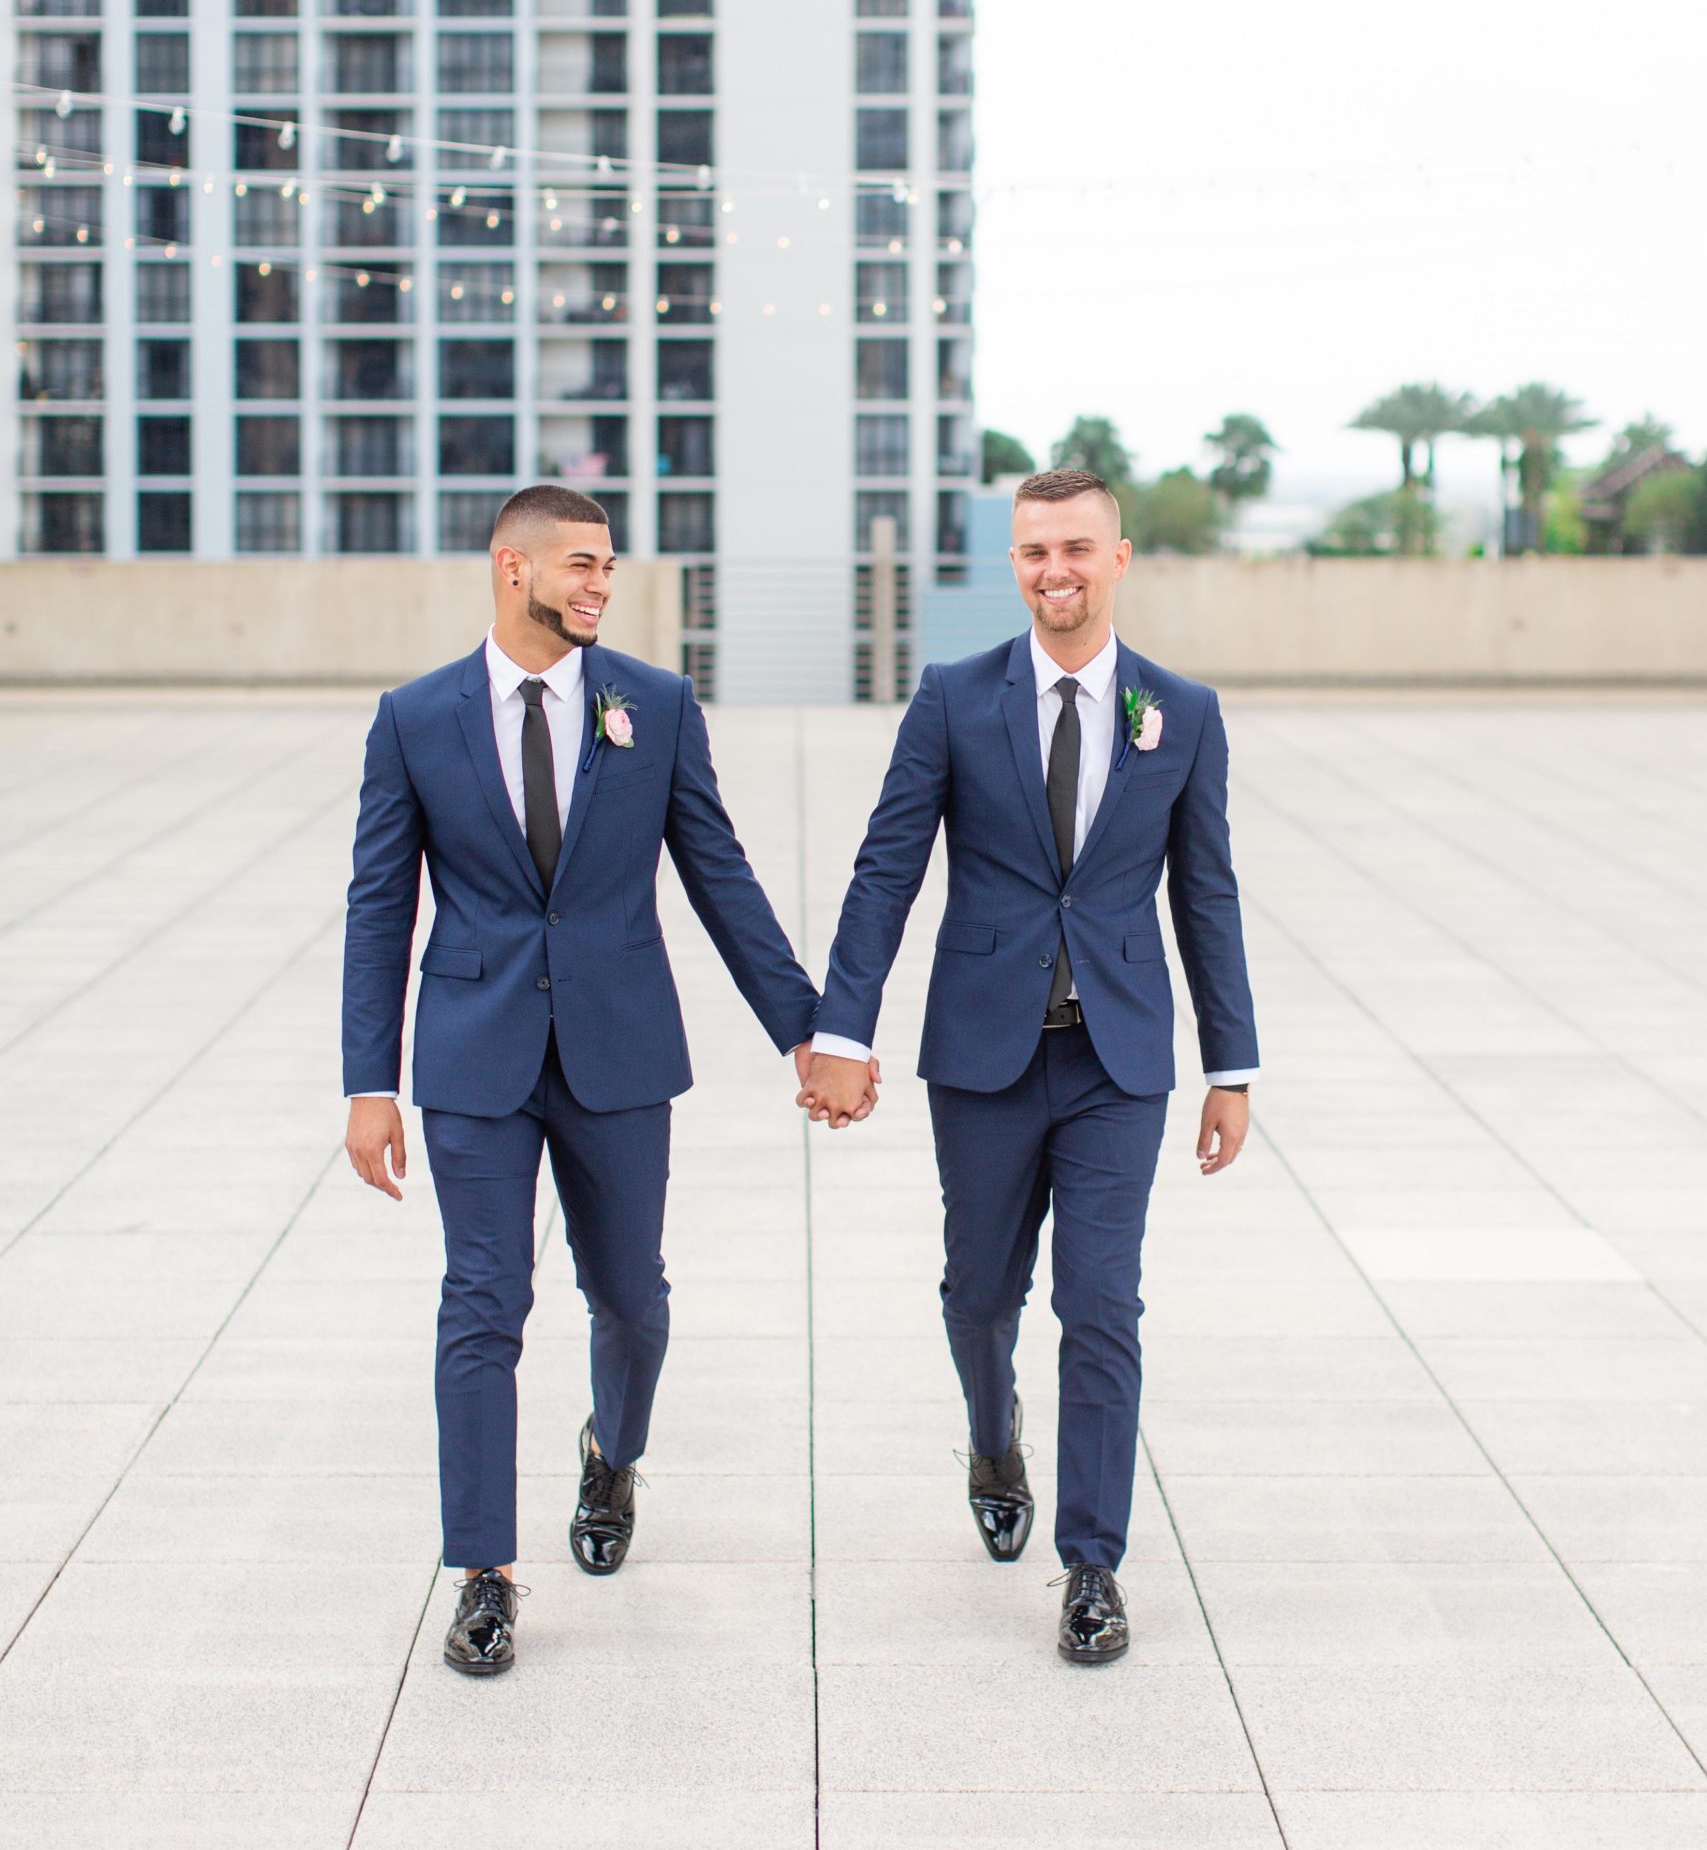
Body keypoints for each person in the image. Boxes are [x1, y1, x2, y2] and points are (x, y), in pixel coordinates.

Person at [341, 484, 876, 1675]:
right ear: (509, 567)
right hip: (473, 1053)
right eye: (578, 563)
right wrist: (366, 1081)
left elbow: (720, 877)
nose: (597, 585)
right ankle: (484, 1571)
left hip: (621, 1048)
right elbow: (381, 904)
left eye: (607, 567)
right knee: (482, 1303)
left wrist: (813, 1030)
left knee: (631, 1297)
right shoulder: (416, 718)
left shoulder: (657, 707)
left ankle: (612, 1452)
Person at [798, 467, 1260, 1665]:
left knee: (1102, 1302)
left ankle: (1092, 1564)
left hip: (1118, 1061)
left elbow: (1205, 891)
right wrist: (843, 1029)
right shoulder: (956, 698)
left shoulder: (1183, 711)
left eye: (1076, 548)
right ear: (1016, 564)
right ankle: (993, 1433)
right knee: (979, 1294)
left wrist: (1232, 1063)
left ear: (1118, 558)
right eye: (1033, 551)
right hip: (986, 1058)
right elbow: (885, 867)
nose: (1054, 569)